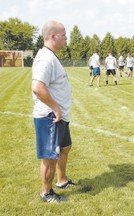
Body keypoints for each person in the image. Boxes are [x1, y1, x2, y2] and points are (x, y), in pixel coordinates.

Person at [31, 20, 77, 203]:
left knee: (65, 148)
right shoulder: (46, 58)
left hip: (60, 116)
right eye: (64, 34)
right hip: (50, 117)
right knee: (49, 157)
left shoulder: (51, 55)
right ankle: (46, 193)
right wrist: (56, 108)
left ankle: (62, 180)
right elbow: (37, 87)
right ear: (53, 36)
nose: (66, 38)